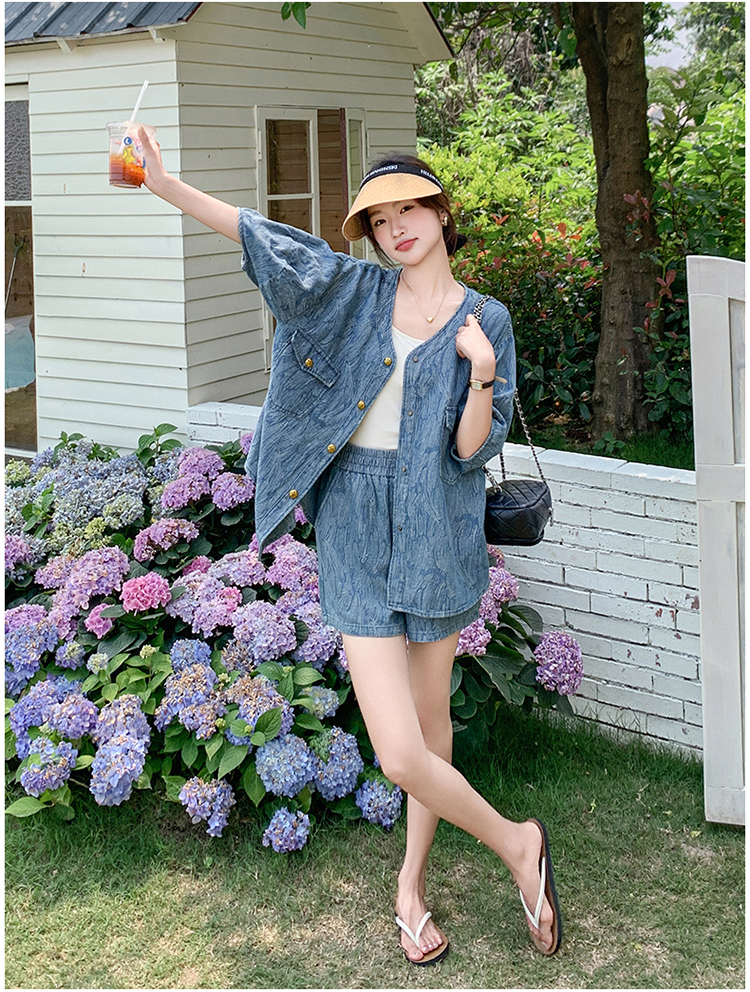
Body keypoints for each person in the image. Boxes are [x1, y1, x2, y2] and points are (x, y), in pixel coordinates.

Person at [138, 129, 561, 963]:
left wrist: (480, 371)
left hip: (438, 520)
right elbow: (269, 241)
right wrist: (166, 186)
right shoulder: (356, 292)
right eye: (380, 219)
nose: (396, 228)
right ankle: (519, 844)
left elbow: (472, 451)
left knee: (430, 733)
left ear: (441, 213)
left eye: (410, 210)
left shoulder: (488, 320)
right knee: (400, 752)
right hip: (354, 520)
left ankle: (411, 888)